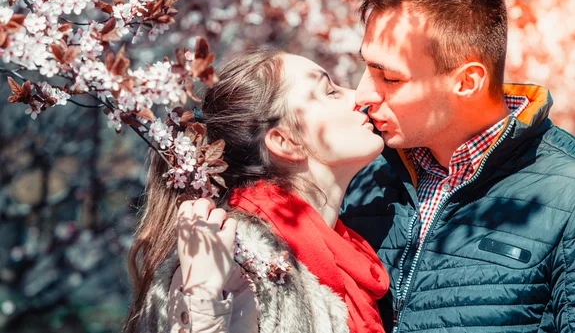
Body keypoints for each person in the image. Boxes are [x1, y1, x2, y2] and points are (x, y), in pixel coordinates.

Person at [340, 0, 575, 332]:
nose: (362, 95)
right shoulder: (361, 169)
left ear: (467, 82)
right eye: (366, 66)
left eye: (390, 78)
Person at [122, 48, 390, 333]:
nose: (357, 97)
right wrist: (203, 302)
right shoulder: (235, 260)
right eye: (330, 92)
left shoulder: (348, 253)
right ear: (286, 141)